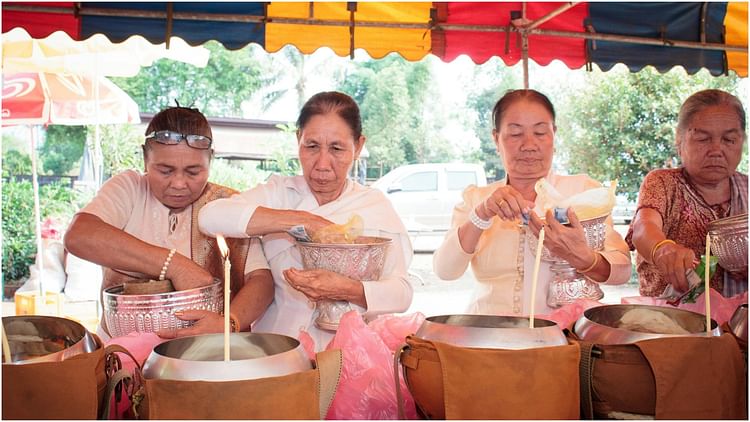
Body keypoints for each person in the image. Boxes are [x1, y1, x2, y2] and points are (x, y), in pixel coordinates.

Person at [199, 91, 413, 350]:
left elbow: (402, 293)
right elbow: (210, 217)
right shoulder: (279, 194)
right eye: (311, 146)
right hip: (278, 351)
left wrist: (348, 289)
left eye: (337, 148)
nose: (322, 164)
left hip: (350, 358)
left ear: (358, 146)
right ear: (298, 139)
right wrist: (300, 221)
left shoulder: (373, 206)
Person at [64, 106, 274, 339]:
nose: (178, 183)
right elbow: (79, 235)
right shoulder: (130, 189)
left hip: (202, 355)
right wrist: (174, 266)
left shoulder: (226, 205)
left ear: (210, 160)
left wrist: (229, 323)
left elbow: (261, 281)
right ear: (145, 159)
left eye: (193, 172)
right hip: (122, 355)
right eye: (165, 170)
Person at [433, 89, 631, 315]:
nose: (529, 145)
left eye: (540, 132)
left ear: (554, 135)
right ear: (496, 139)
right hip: (488, 334)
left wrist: (585, 259)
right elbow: (445, 270)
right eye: (516, 134)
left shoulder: (583, 191)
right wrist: (482, 214)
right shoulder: (477, 199)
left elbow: (622, 270)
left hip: (564, 337)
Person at [627, 89, 747, 297]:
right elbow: (644, 228)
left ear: (742, 142)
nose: (716, 150)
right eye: (702, 139)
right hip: (670, 322)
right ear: (680, 140)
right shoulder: (663, 183)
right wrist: (663, 249)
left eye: (729, 140)